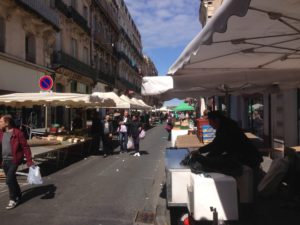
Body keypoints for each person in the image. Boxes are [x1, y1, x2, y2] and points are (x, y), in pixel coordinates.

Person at [192, 111, 263, 174]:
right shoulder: (225, 125)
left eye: (210, 122)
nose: (210, 124)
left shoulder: (226, 128)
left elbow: (218, 147)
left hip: (249, 159)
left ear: (216, 120)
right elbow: (216, 144)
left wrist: (206, 159)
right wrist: (200, 151)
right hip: (247, 157)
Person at [0, 115, 34, 210]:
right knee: (12, 179)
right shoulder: (1, 133)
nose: (0, 123)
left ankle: (13, 199)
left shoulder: (18, 133)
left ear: (7, 123)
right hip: (4, 160)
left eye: (1, 122)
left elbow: (25, 147)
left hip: (14, 160)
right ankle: (18, 194)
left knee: (9, 180)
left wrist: (29, 161)